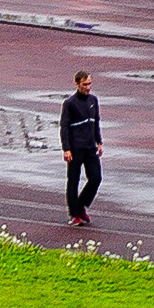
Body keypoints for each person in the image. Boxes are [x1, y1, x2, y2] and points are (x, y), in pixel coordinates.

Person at [60, 70, 103, 226]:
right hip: (75, 148)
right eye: (85, 84)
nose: (88, 87)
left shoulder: (93, 100)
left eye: (90, 83)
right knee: (73, 181)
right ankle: (75, 214)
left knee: (96, 178)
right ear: (77, 84)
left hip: (90, 147)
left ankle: (81, 205)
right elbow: (64, 127)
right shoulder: (70, 103)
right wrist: (66, 148)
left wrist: (99, 142)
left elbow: (95, 122)